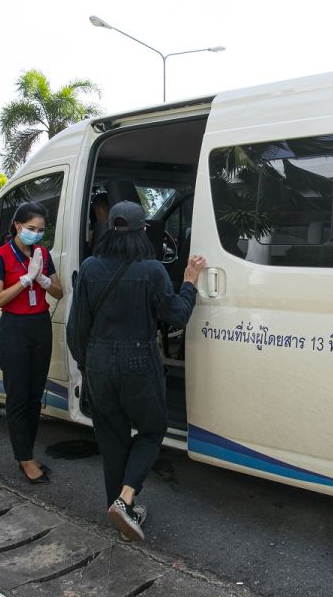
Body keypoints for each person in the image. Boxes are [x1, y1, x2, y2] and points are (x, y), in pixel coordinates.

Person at [66, 200, 206, 542]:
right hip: (139, 363)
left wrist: (88, 365)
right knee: (152, 429)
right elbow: (176, 316)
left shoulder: (89, 267)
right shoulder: (153, 270)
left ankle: (120, 508)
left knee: (112, 439)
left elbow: (75, 330)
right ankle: (126, 498)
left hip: (98, 363)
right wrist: (189, 281)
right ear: (143, 232)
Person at [0, 201, 64, 484]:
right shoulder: (0, 257)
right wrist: (25, 280)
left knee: (34, 395)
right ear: (18, 226)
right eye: (31, 228)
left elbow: (59, 292)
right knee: (18, 396)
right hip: (14, 328)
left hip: (40, 325)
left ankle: (29, 452)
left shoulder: (43, 253)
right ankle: (24, 458)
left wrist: (43, 279)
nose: (36, 234)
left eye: (41, 230)